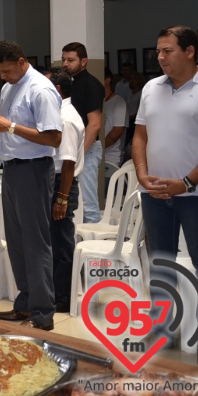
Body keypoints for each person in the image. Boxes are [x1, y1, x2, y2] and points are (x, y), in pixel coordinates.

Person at [133, 25, 198, 369]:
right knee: (160, 259)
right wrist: (142, 173)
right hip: (155, 191)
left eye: (168, 50)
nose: (160, 57)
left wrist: (186, 182)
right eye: (158, 51)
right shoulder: (150, 88)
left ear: (189, 51)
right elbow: (140, 135)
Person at [0, 40, 62, 331]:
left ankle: (42, 314)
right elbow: (8, 126)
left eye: (7, 70)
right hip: (12, 169)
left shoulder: (41, 89)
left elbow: (53, 138)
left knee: (36, 243)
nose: (3, 76)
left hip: (34, 170)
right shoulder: (9, 87)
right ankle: (25, 303)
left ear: (22, 61)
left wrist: (9, 127)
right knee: (17, 241)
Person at [46, 67, 85, 314]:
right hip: (57, 180)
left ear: (57, 90)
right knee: (55, 241)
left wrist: (61, 197)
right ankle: (56, 293)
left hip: (63, 183)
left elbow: (68, 162)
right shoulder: (57, 113)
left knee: (61, 243)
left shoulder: (66, 118)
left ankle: (64, 298)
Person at [61, 42, 104, 224]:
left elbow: (94, 125)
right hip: (69, 148)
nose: (65, 64)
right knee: (70, 200)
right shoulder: (66, 84)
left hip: (87, 148)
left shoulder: (91, 84)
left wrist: (80, 154)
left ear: (84, 61)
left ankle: (94, 246)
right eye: (63, 59)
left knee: (89, 204)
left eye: (71, 60)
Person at [102, 70, 127, 169]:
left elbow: (118, 131)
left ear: (107, 80)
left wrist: (98, 148)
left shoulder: (118, 101)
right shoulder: (97, 101)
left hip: (110, 157)